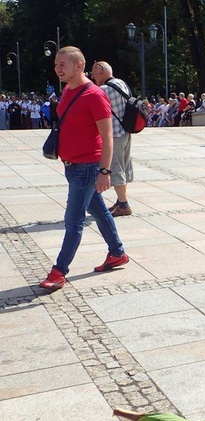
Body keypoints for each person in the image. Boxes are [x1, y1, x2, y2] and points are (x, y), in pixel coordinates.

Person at [40, 46, 129, 291]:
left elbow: (107, 136)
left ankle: (59, 271)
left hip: (88, 167)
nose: (58, 69)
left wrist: (104, 171)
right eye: (56, 64)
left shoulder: (95, 95)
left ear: (79, 66)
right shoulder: (68, 90)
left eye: (62, 65)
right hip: (72, 166)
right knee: (99, 211)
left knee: (73, 220)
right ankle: (117, 252)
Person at [91, 61, 135, 217]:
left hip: (115, 134)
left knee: (116, 169)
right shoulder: (121, 83)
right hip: (126, 131)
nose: (93, 77)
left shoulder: (104, 89)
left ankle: (124, 205)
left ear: (101, 71)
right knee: (123, 165)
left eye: (93, 73)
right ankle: (119, 200)